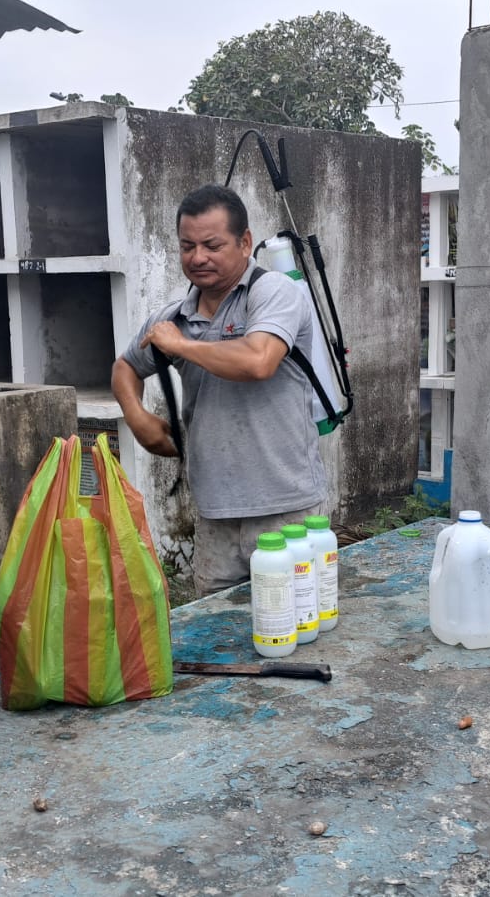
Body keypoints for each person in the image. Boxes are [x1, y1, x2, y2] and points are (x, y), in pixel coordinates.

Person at [111, 184, 328, 597]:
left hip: (287, 509)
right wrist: (136, 418)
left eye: (212, 245)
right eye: (187, 246)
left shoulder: (273, 292)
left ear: (244, 242)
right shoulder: (174, 317)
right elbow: (125, 367)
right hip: (215, 514)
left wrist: (181, 347)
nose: (198, 257)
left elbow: (258, 360)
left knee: (295, 623)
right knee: (217, 628)